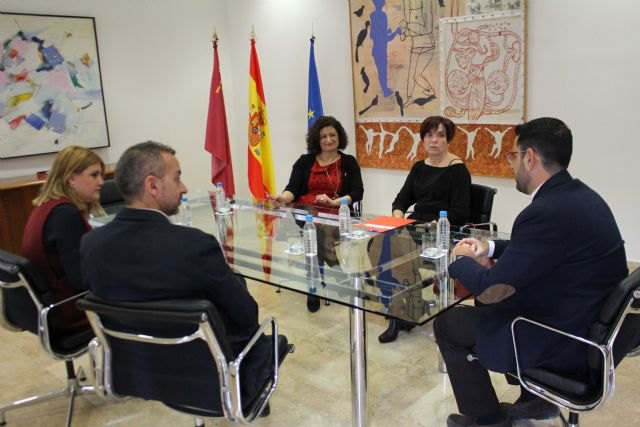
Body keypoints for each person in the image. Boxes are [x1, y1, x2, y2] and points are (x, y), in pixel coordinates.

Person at [433, 117, 628, 427]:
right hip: (589, 326)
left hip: (565, 340)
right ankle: (536, 402)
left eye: (513, 155)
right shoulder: (579, 197)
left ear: (530, 157)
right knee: (489, 306)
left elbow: (491, 288)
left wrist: (459, 258)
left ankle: (488, 421)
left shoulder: (544, 212)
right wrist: (490, 249)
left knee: (449, 323)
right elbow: (542, 248)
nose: (511, 164)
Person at [80, 141, 289, 413]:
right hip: (203, 380)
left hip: (137, 373)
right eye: (177, 178)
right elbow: (246, 314)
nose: (184, 187)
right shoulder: (194, 246)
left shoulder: (91, 244)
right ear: (152, 186)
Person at [379, 115, 471, 343]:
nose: (434, 140)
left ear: (448, 139)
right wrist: (398, 219)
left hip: (442, 232)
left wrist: (432, 225)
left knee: (395, 251)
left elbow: (460, 213)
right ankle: (404, 309)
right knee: (381, 244)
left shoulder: (458, 170)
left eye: (440, 135)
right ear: (422, 140)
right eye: (429, 135)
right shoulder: (419, 167)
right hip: (415, 227)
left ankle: (402, 312)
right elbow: (400, 201)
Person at [271, 116, 364, 313]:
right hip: (306, 210)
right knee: (313, 226)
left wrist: (335, 203)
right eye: (323, 136)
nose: (328, 140)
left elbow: (357, 192)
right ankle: (333, 271)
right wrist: (284, 198)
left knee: (315, 235)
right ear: (317, 139)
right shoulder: (305, 161)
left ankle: (314, 284)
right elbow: (292, 189)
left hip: (337, 210)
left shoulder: (348, 162)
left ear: (339, 137)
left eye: (332, 135)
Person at [14, 145, 104, 330]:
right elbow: (81, 280)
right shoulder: (65, 215)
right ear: (71, 178)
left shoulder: (46, 206)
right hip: (69, 312)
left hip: (48, 307)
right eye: (94, 175)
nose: (101, 182)